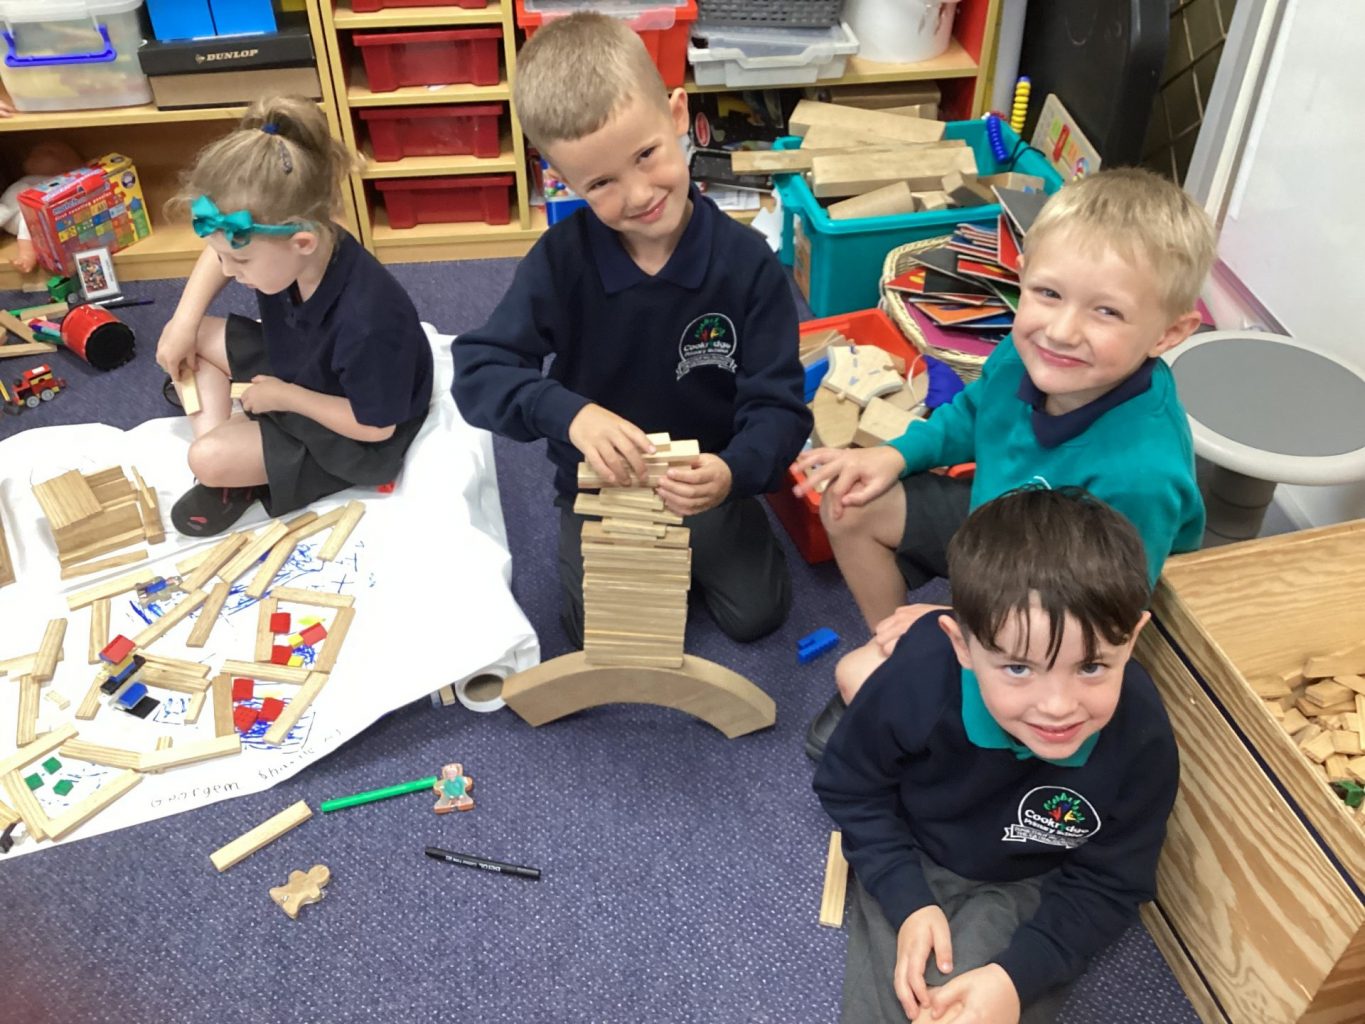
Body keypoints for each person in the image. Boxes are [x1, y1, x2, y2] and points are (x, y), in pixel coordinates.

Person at [798, 167, 1215, 757]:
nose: (1061, 331)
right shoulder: (1027, 354)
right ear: (1021, 279)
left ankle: (956, 679)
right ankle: (907, 657)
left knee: (938, 686)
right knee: (850, 502)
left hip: (1067, 601)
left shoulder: (1139, 475)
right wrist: (895, 454)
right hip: (1000, 522)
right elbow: (973, 415)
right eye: (1048, 294)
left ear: (1168, 333)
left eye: (1106, 312)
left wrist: (966, 624)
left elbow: (1094, 612)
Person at [452, 13, 810, 647]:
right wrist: (570, 415)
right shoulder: (562, 260)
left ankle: (730, 525)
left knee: (759, 616)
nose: (640, 194)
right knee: (598, 635)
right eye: (601, 183)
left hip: (705, 479)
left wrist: (733, 472)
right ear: (562, 179)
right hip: (601, 487)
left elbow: (779, 406)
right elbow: (478, 371)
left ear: (677, 114)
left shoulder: (748, 264)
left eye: (646, 155)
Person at [814, 485, 1178, 1024]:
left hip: (1031, 874)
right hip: (919, 844)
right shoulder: (922, 679)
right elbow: (850, 789)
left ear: (1133, 637)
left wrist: (1014, 979)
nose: (1058, 707)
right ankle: (846, 722)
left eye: (1092, 666)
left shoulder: (1141, 735)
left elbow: (1111, 882)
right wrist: (907, 899)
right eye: (1018, 668)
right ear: (961, 645)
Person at [156, 95, 433, 536]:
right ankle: (239, 454)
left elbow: (377, 427)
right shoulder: (296, 246)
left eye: (240, 262)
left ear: (302, 243)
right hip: (303, 364)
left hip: (353, 425)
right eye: (224, 256)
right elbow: (221, 255)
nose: (230, 271)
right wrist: (184, 321)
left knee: (205, 459)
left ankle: (234, 471)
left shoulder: (368, 322)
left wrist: (285, 398)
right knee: (192, 337)